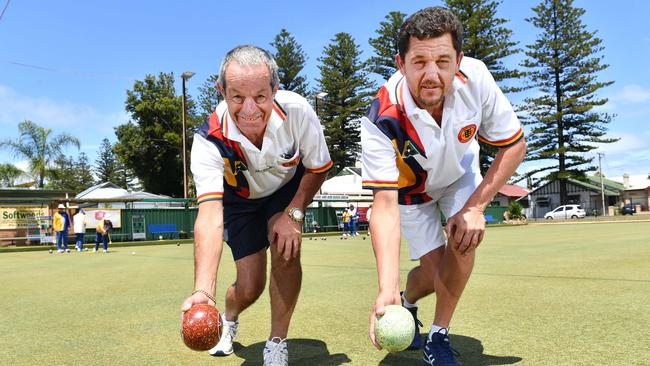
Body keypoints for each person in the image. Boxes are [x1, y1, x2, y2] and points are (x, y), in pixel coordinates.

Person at [361, 7, 526, 365]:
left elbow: (514, 144)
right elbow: (384, 207)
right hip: (409, 193)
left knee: (464, 241)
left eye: (443, 61)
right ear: (401, 64)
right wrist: (386, 289)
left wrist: (476, 207)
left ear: (459, 60)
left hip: (459, 176)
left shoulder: (477, 78)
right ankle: (407, 296)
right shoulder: (381, 117)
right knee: (435, 275)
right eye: (419, 62)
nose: (432, 74)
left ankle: (438, 337)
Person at [180, 45, 332, 366]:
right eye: (237, 97)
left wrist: (294, 213)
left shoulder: (298, 111)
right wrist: (203, 291)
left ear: (275, 89)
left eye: (261, 97)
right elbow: (209, 215)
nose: (249, 109)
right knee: (250, 286)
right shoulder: (209, 139)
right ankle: (229, 318)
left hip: (285, 192)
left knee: (286, 249)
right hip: (241, 201)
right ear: (221, 91)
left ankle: (276, 343)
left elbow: (318, 168)